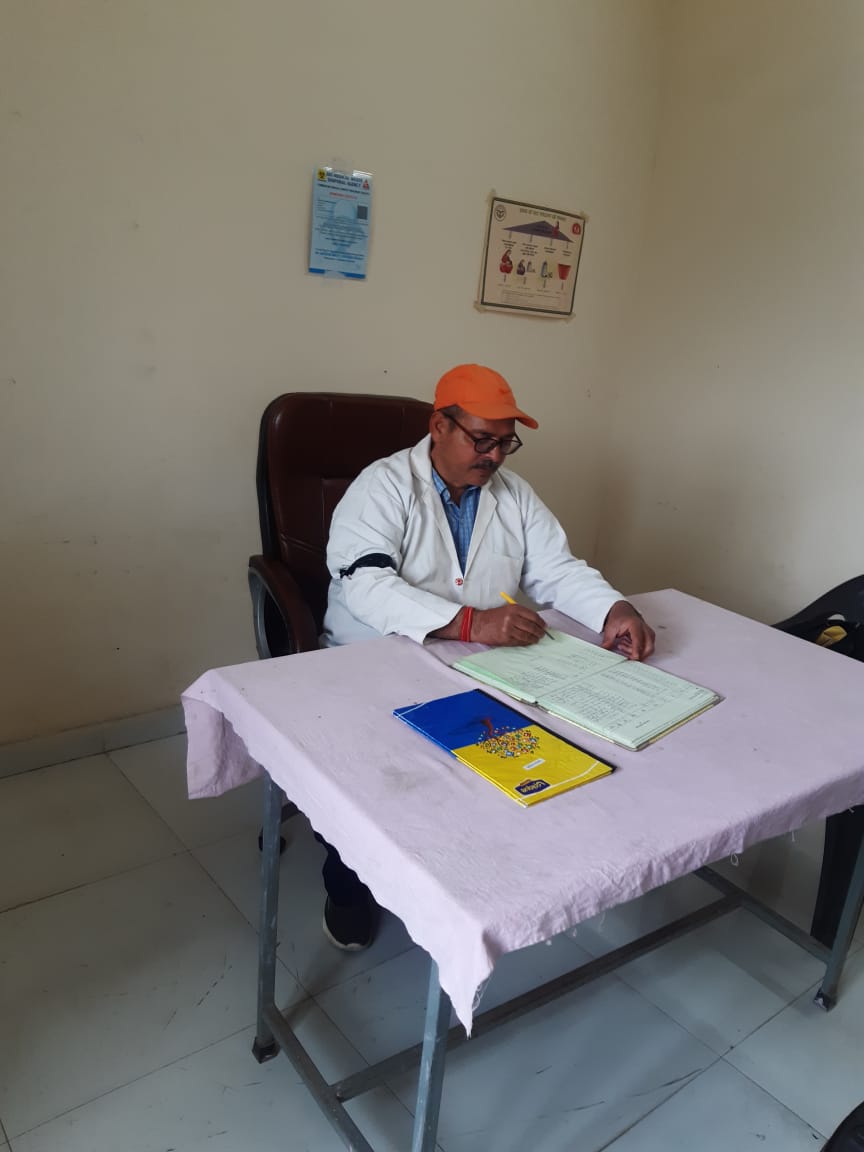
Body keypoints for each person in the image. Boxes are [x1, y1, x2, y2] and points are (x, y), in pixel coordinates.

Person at [318, 363, 655, 950]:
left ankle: (468, 878)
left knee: (523, 759)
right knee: (368, 784)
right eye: (482, 440)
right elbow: (364, 582)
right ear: (439, 427)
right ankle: (345, 886)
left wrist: (614, 609)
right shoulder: (383, 485)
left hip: (478, 661)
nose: (495, 456)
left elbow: (556, 570)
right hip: (373, 657)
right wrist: (471, 621)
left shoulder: (513, 495)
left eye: (506, 443)